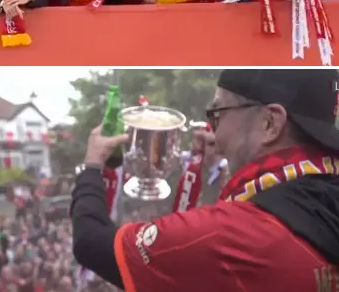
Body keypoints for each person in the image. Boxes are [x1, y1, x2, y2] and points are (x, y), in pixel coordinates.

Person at [71, 69, 339, 292]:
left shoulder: (234, 235)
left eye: (217, 114)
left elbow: (92, 244)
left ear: (270, 123)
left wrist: (92, 164)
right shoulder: (320, 195)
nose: (213, 132)